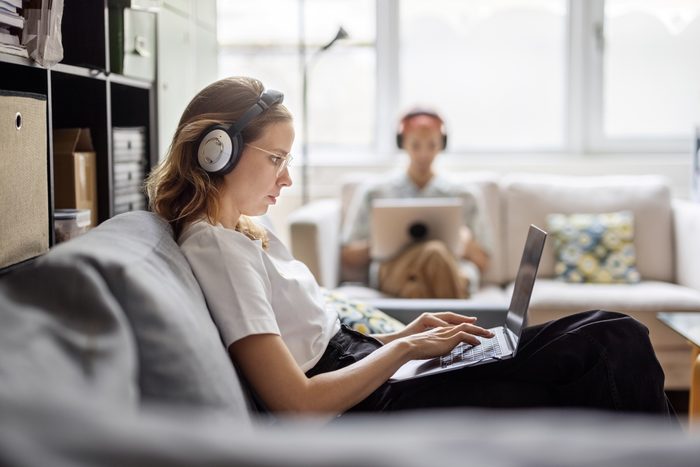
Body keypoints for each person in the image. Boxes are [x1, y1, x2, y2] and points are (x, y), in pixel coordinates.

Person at [145, 76, 672, 418]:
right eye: (277, 159)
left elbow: (315, 331)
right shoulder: (216, 249)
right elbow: (297, 403)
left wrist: (404, 333)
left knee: (606, 331)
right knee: (611, 338)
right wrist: (404, 349)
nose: (286, 179)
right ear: (217, 152)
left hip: (368, 367)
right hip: (370, 401)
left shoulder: (240, 232)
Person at [341, 109, 491, 299]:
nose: (423, 154)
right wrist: (379, 243)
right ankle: (459, 324)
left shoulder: (465, 195)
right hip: (394, 269)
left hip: (452, 271)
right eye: (416, 145)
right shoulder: (375, 192)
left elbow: (483, 261)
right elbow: (347, 255)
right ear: (402, 143)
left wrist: (465, 242)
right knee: (434, 252)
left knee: (416, 289)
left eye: (431, 145)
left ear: (442, 145)